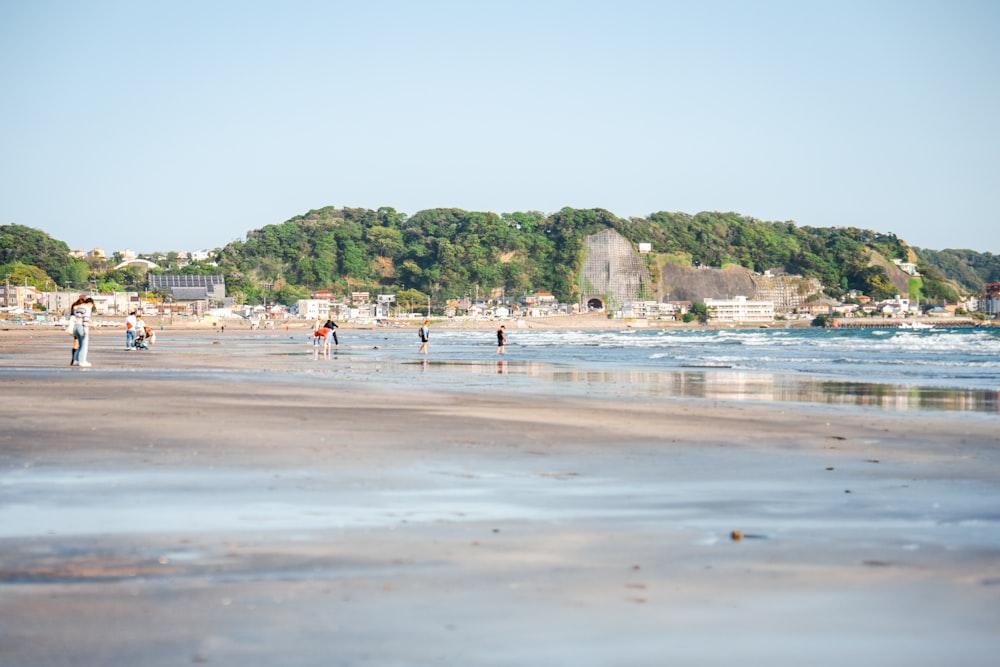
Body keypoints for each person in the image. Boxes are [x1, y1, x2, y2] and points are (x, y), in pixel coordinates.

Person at [70, 295, 94, 367]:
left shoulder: (79, 307)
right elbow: (86, 319)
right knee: (84, 345)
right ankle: (82, 361)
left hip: (76, 326)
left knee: (80, 345)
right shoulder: (87, 308)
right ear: (91, 303)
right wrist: (86, 331)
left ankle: (75, 360)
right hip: (82, 327)